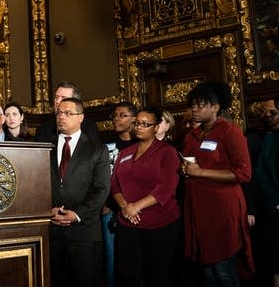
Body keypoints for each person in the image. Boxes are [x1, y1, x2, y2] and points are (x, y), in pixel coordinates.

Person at [181, 80, 254, 286]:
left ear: (216, 107)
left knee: (223, 269)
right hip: (197, 207)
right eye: (193, 104)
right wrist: (185, 170)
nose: (194, 109)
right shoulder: (192, 136)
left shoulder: (230, 131)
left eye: (200, 105)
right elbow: (189, 164)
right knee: (207, 271)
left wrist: (201, 172)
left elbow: (244, 173)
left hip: (222, 207)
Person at [111, 106, 180, 287]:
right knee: (126, 273)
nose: (139, 127)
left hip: (159, 223)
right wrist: (126, 207)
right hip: (127, 221)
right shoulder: (125, 153)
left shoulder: (167, 152)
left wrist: (137, 206)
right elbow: (114, 184)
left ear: (156, 127)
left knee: (157, 275)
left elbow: (167, 187)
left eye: (145, 124)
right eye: (137, 123)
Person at [49, 97, 110, 287]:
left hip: (84, 232)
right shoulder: (44, 146)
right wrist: (46, 210)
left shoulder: (97, 149)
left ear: (81, 117)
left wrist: (77, 215)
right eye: (59, 112)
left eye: (68, 113)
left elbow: (101, 189)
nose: (62, 117)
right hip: (51, 231)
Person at [101, 101, 137, 287]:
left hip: (137, 209)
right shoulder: (105, 143)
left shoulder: (141, 144)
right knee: (111, 258)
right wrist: (105, 203)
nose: (117, 119)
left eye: (122, 115)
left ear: (134, 119)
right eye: (114, 115)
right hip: (110, 210)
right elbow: (100, 177)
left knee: (135, 259)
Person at [252, 94, 279, 287]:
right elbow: (259, 174)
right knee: (274, 260)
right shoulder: (263, 139)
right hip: (271, 208)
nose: (268, 115)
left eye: (274, 112)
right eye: (265, 112)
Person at [34, 81, 100, 143]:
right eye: (56, 97)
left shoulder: (88, 127)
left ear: (75, 102)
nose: (57, 101)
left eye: (63, 98)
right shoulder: (43, 130)